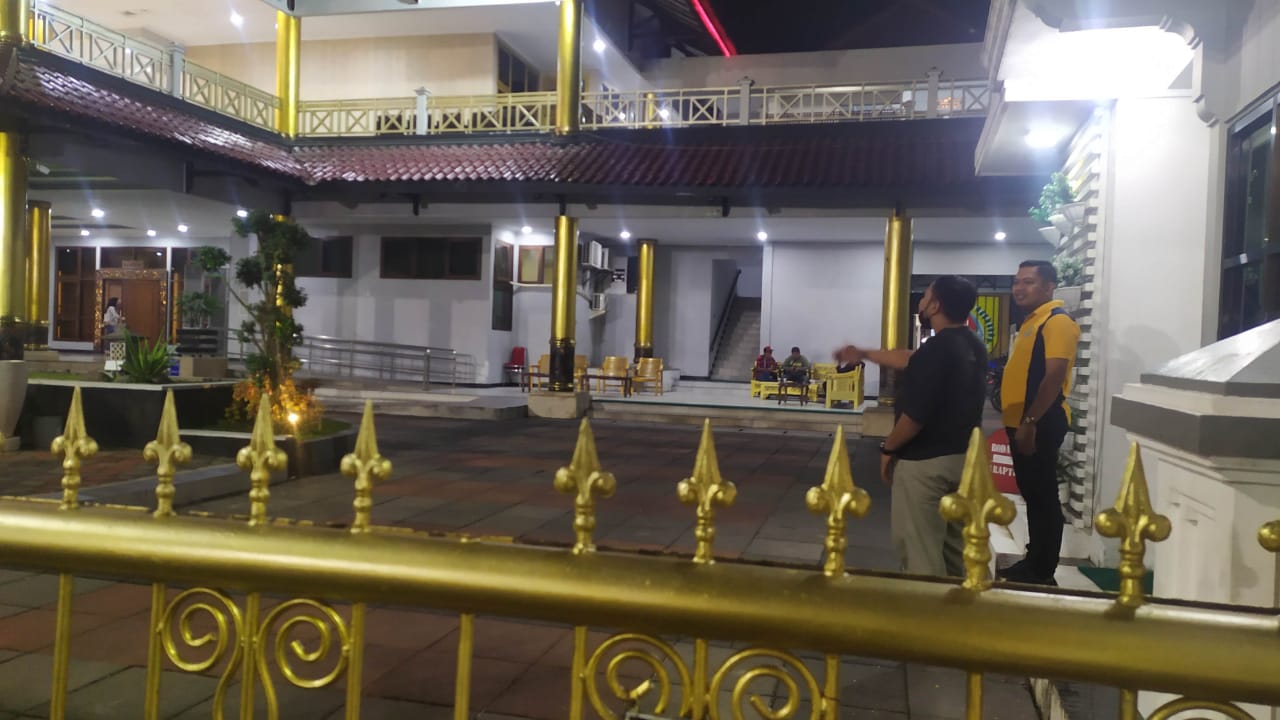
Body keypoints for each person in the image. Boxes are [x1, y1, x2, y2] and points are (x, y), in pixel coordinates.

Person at [836, 275, 987, 577]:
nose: (921, 303)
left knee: (920, 550)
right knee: (956, 552)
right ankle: (962, 603)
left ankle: (926, 605)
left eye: (926, 297)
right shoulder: (971, 344)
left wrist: (888, 448)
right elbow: (909, 359)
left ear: (935, 305)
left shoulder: (936, 349)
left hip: (926, 465)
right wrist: (864, 353)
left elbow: (916, 415)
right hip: (962, 459)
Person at [997, 260, 1080, 586]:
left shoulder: (1057, 321)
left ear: (1049, 286)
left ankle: (1042, 570)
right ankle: (1034, 560)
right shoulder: (1033, 321)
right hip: (1024, 421)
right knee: (1033, 493)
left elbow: (1054, 375)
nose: (1019, 288)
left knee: (1043, 496)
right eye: (1017, 281)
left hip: (1039, 422)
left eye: (1028, 282)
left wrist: (1031, 420)